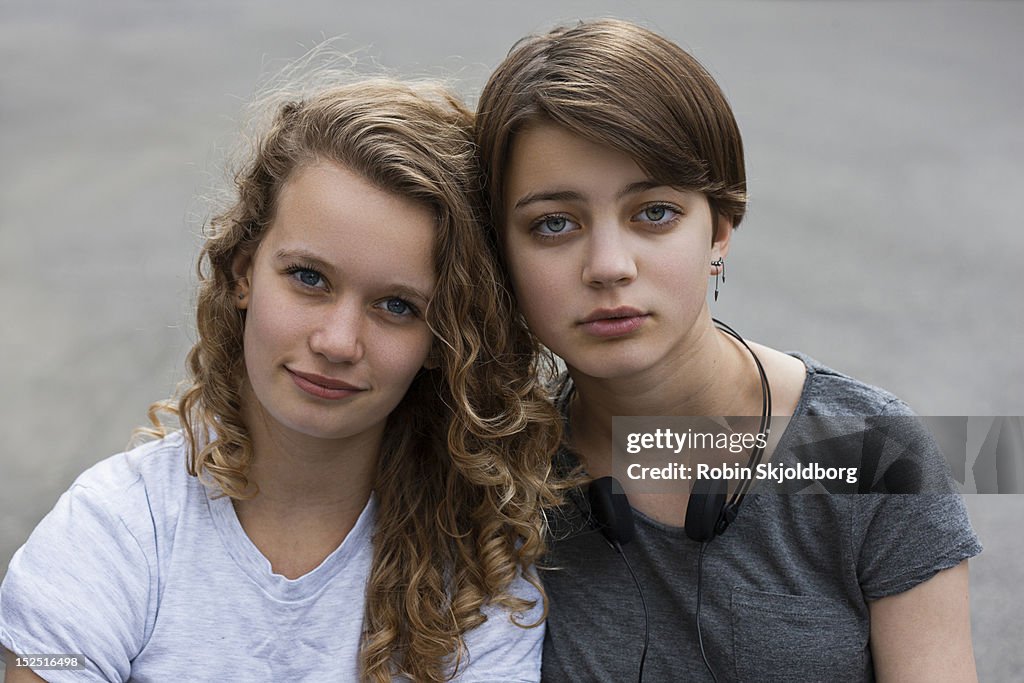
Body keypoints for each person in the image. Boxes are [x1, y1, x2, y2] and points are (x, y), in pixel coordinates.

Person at [0, 75, 561, 682]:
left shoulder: (483, 580)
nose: (337, 342)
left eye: (398, 306)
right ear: (243, 272)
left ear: (441, 339)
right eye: (309, 278)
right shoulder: (113, 528)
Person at [474, 18, 981, 682]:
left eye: (653, 212)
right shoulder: (494, 472)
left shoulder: (873, 452)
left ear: (720, 228)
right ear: (500, 254)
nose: (607, 265)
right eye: (553, 224)